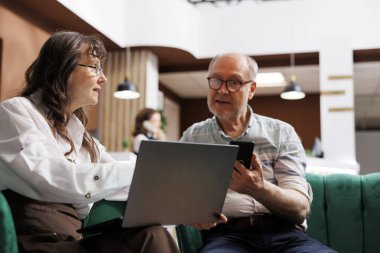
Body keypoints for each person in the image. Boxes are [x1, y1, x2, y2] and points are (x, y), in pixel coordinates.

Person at [0, 31, 179, 253]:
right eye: (94, 67)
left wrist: (183, 209)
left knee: (152, 234)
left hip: (73, 237)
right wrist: (140, 170)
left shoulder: (82, 137)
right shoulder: (16, 111)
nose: (103, 78)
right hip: (39, 240)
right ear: (62, 68)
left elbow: (123, 186)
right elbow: (50, 177)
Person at [180, 53, 337, 253]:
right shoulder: (193, 137)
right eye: (216, 80)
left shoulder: (281, 133)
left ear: (251, 89)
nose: (222, 89)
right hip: (226, 236)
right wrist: (192, 215)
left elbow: (300, 209)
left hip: (286, 234)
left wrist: (258, 189)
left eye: (234, 82)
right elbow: (182, 200)